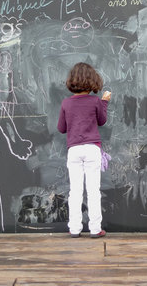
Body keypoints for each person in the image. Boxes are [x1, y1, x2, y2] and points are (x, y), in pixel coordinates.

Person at [57, 62, 111, 238]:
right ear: (92, 81)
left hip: (74, 149)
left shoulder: (66, 103)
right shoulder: (95, 101)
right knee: (93, 190)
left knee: (75, 190)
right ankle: (95, 229)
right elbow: (102, 121)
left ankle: (74, 228)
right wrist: (104, 102)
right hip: (92, 148)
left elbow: (61, 128)